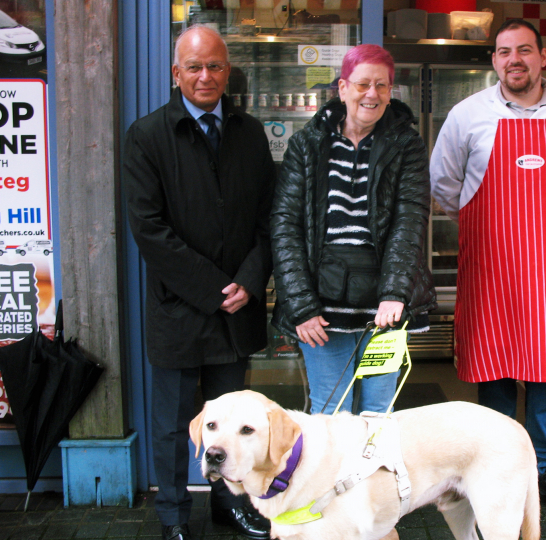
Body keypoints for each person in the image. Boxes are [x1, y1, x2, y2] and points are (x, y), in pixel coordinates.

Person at [430, 19, 546, 512]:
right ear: (494, 61)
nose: (515, 60)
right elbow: (443, 182)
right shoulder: (468, 115)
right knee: (496, 368)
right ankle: (495, 469)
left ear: (542, 57)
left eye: (524, 50)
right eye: (505, 52)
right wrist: (481, 219)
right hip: (491, 264)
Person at [123, 25, 275, 540]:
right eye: (194, 67)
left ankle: (230, 506)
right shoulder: (146, 136)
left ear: (226, 71)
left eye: (214, 66)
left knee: (234, 428)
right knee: (171, 429)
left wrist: (250, 280)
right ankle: (172, 517)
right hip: (179, 311)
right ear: (176, 73)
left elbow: (267, 217)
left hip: (237, 309)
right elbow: (149, 230)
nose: (205, 76)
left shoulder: (250, 132)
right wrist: (214, 289)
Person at [271, 44, 436, 415]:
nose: (372, 94)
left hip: (385, 307)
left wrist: (395, 293)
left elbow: (410, 220)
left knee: (378, 414)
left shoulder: (407, 145)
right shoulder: (306, 144)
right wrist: (300, 306)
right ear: (342, 88)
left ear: (390, 91)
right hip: (322, 308)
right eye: (363, 84)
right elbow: (285, 226)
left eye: (381, 85)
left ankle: (375, 476)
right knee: (330, 415)